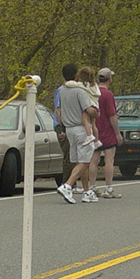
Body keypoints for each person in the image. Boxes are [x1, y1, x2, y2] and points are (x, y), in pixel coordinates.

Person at [56, 66, 100, 204]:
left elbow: (59, 110)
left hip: (69, 129)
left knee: (79, 161)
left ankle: (86, 192)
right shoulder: (80, 91)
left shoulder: (62, 90)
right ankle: (67, 185)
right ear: (76, 75)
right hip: (81, 128)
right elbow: (88, 110)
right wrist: (96, 112)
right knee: (85, 161)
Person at [87, 67, 124, 199]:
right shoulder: (108, 94)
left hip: (94, 129)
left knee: (94, 160)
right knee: (109, 160)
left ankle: (92, 187)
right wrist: (117, 133)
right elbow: (112, 115)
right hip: (107, 130)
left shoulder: (92, 92)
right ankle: (108, 188)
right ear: (109, 79)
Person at [65, 67, 102, 148]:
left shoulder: (83, 85)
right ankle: (97, 140)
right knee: (93, 124)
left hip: (90, 106)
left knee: (84, 120)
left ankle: (89, 135)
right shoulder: (94, 85)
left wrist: (66, 83)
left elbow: (71, 84)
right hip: (96, 106)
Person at [54, 63, 78, 186]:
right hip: (62, 126)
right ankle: (66, 184)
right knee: (68, 156)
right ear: (75, 75)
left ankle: (72, 183)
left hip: (69, 125)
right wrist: (62, 129)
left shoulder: (72, 89)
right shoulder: (62, 90)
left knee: (73, 155)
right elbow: (58, 110)